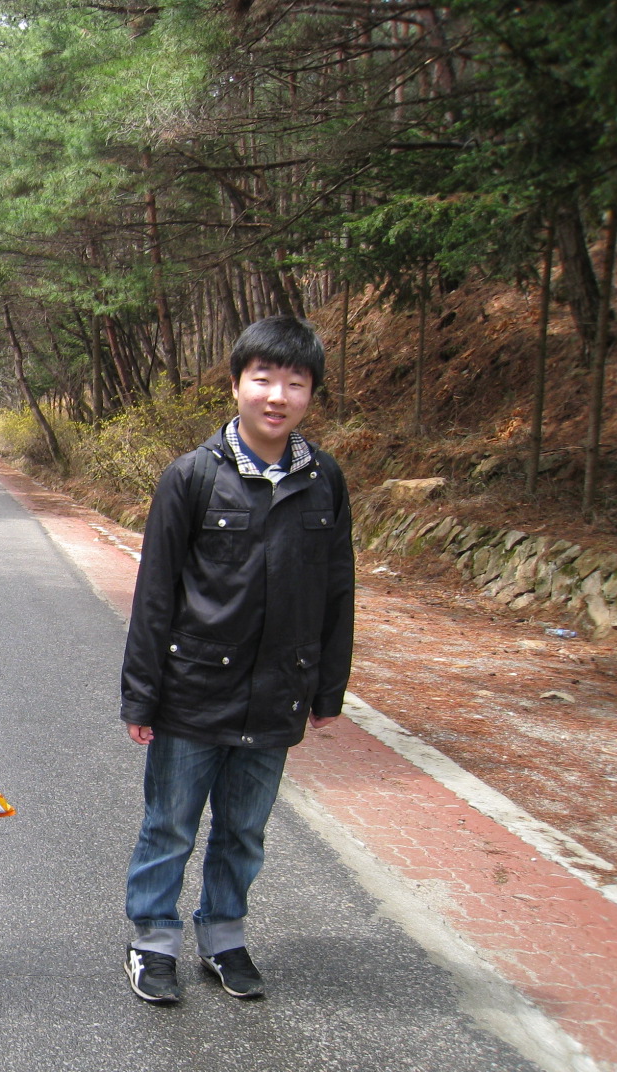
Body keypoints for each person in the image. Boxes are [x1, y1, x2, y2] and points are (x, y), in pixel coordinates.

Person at [119, 315, 355, 1005]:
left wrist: (328, 689)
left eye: (295, 382)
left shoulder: (324, 481)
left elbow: (337, 587)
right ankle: (152, 942)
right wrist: (142, 695)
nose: (277, 395)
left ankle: (224, 937)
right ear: (235, 384)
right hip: (192, 693)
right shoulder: (191, 477)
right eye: (263, 379)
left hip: (277, 693)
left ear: (311, 394)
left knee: (244, 831)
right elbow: (154, 594)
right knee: (170, 826)